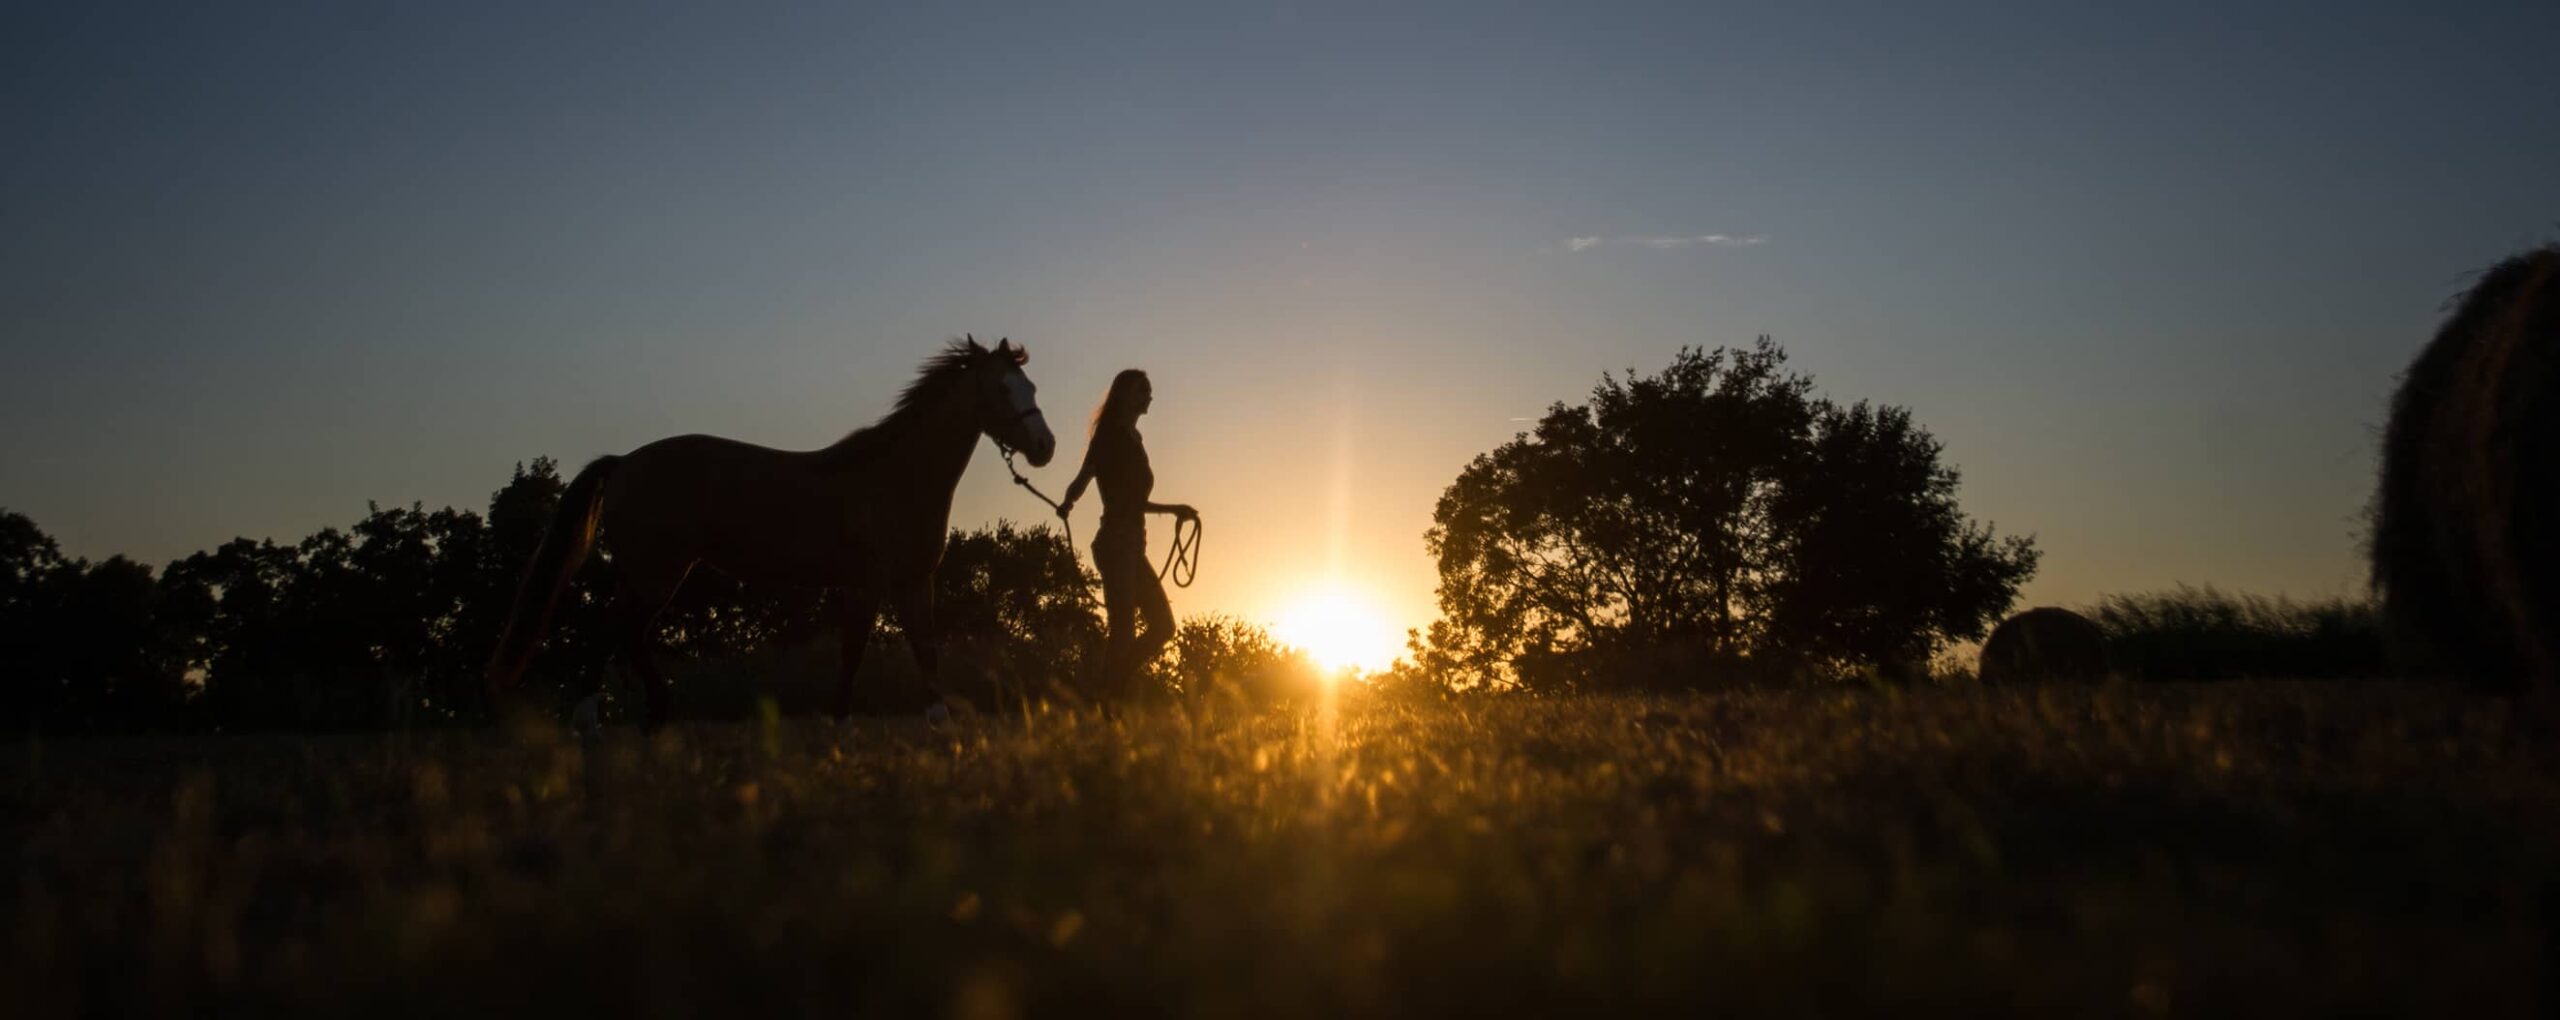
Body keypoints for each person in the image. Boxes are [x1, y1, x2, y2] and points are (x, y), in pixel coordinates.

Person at [1058, 369, 1197, 699]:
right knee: (1122, 630)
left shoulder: (1134, 439)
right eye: (1142, 390)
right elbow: (1088, 478)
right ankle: (1109, 698)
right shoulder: (1110, 437)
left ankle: (1108, 688)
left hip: (1133, 545)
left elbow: (1121, 493)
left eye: (1148, 390)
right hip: (1116, 543)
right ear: (1125, 396)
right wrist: (1068, 502)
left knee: (1162, 626)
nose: (1149, 396)